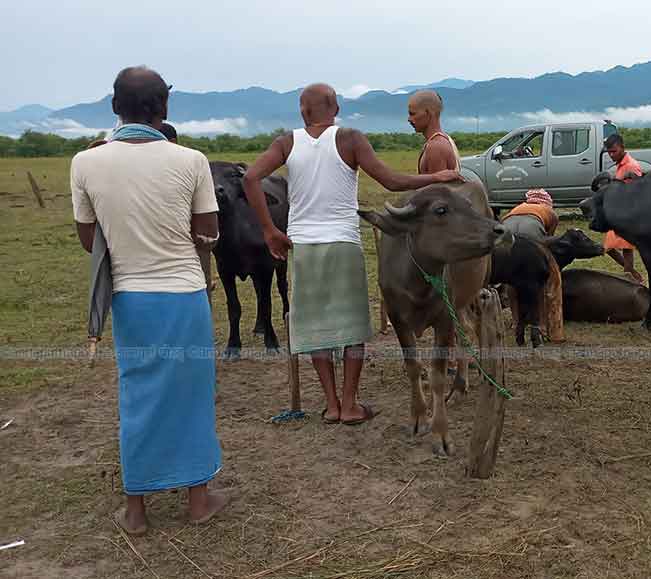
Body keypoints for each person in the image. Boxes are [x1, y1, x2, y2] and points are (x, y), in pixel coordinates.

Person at [242, 83, 459, 426]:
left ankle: (330, 405)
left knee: (314, 328)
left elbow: (251, 178)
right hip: (343, 243)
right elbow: (389, 181)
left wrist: (270, 231)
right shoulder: (351, 139)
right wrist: (438, 176)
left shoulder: (287, 142)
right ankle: (349, 404)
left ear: (302, 111)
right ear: (337, 109)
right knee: (352, 327)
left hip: (304, 247)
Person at [71, 66, 228, 535]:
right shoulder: (191, 160)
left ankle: (136, 511)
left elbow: (88, 241)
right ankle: (198, 501)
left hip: (130, 297)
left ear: (115, 107)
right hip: (183, 295)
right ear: (164, 108)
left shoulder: (85, 162)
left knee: (136, 395)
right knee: (192, 395)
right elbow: (209, 234)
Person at [502, 189, 564, 342]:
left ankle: (516, 321)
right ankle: (541, 324)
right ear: (547, 203)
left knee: (511, 277)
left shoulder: (517, 208)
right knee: (539, 279)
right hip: (532, 227)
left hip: (506, 227)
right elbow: (548, 243)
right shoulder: (550, 213)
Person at [602, 133, 644, 283]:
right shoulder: (621, 165)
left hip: (628, 213)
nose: (612, 155)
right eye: (609, 152)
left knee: (626, 248)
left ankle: (629, 280)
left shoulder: (631, 166)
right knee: (609, 247)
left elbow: (638, 189)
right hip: (618, 211)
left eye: (614, 151)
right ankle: (633, 275)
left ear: (622, 148)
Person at [408, 90, 460, 173]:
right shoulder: (444, 139)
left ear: (428, 113)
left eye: (413, 114)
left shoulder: (436, 147)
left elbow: (437, 186)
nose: (409, 119)